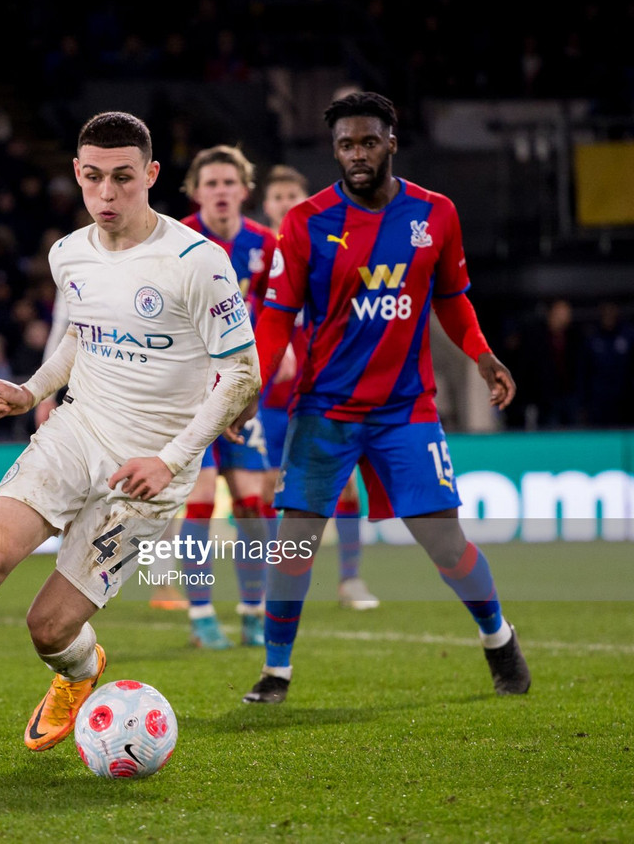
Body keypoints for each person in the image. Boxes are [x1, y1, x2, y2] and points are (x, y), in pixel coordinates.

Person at [0, 111, 260, 774]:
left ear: (151, 176)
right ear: (76, 173)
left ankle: (78, 669)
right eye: (93, 177)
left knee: (49, 628)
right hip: (77, 432)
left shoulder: (197, 262)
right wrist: (33, 391)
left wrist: (171, 460)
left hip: (150, 471)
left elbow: (244, 374)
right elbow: (81, 335)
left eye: (123, 179)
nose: (106, 194)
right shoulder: (68, 253)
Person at [245, 91, 530, 704]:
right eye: (345, 144)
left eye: (368, 142)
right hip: (325, 409)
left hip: (406, 411)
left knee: (446, 545)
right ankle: (276, 673)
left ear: (391, 141)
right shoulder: (305, 224)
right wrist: (253, 389)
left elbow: (452, 299)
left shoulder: (436, 214)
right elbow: (275, 319)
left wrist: (482, 356)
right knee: (293, 543)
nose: (357, 154)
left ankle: (498, 638)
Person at [258, 165, 379, 610]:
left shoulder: (329, 244)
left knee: (344, 481)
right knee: (274, 487)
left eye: (294, 193)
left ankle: (351, 580)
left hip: (321, 380)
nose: (286, 201)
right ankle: (280, 580)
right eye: (277, 195)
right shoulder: (259, 251)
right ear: (266, 204)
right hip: (271, 390)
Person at [172, 145, 276, 648]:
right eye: (210, 183)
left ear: (244, 190)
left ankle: (255, 611)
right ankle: (201, 617)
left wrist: (286, 352)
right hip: (192, 392)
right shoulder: (177, 241)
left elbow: (283, 312)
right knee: (199, 502)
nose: (220, 192)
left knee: (254, 504)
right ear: (196, 192)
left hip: (245, 392)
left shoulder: (266, 245)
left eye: (228, 183)